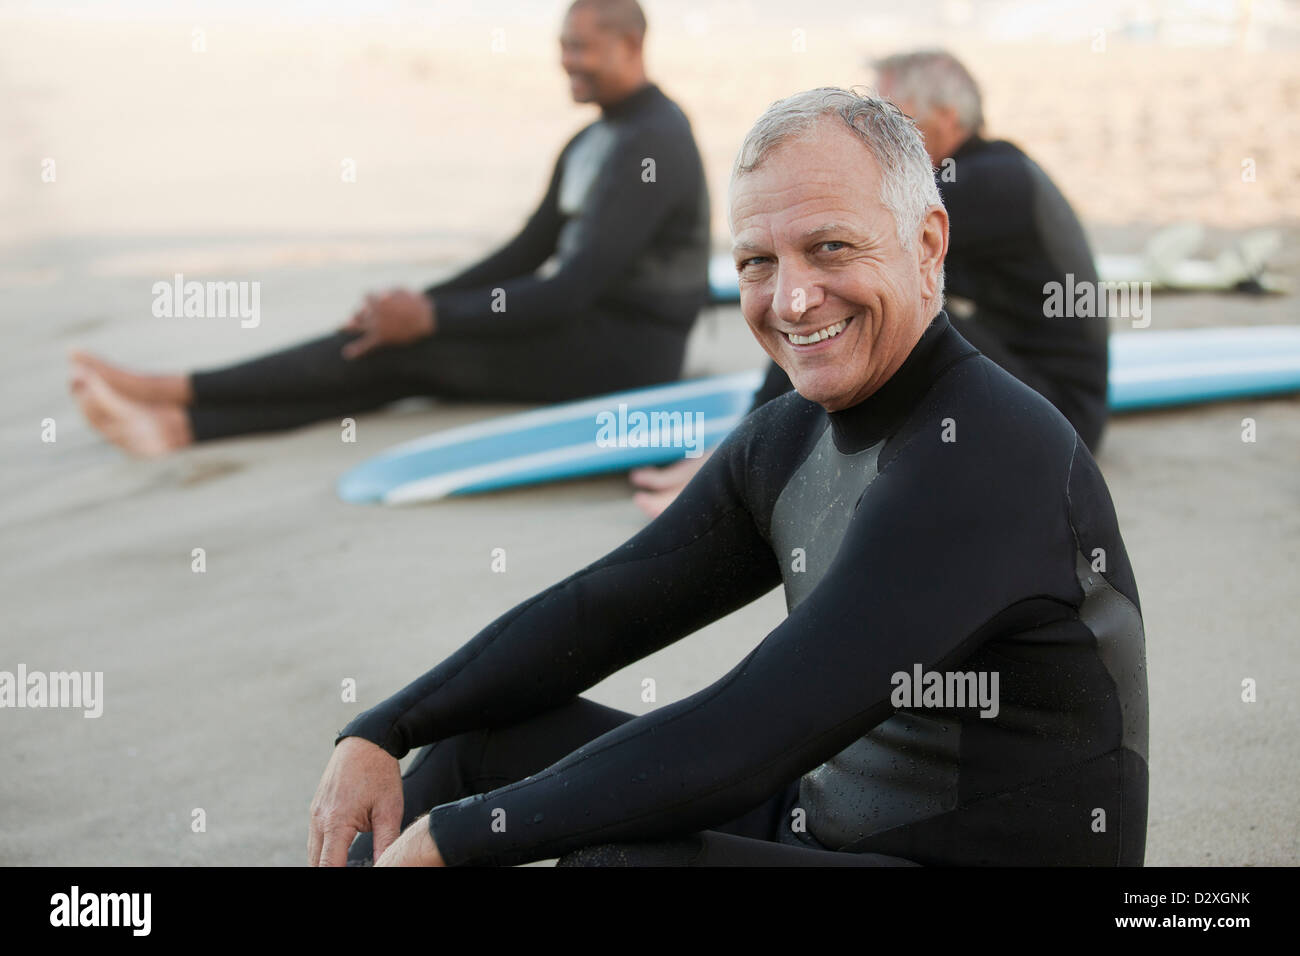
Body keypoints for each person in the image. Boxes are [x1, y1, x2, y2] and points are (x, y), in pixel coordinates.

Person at [307, 88, 1148, 868]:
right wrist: (384, 728)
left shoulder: (987, 459)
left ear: (927, 246)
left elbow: (748, 733)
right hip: (826, 823)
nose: (790, 299)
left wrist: (450, 842)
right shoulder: (787, 437)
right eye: (756, 263)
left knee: (621, 860)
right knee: (474, 751)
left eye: (829, 248)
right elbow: (605, 609)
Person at [69, 0, 710, 457]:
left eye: (582, 47)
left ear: (630, 46)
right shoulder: (594, 138)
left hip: (629, 355)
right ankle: (181, 426)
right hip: (585, 328)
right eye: (563, 46)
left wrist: (431, 321)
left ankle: (170, 392)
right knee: (391, 347)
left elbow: (570, 288)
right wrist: (420, 304)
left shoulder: (653, 144)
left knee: (405, 350)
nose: (568, 61)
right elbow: (526, 251)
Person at [630, 49, 1108, 517]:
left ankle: (740, 466)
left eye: (892, 119)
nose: (873, 133)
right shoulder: (1000, 168)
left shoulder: (985, 183)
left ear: (945, 117)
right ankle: (746, 455)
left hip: (1058, 415)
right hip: (1037, 388)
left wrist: (735, 444)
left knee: (838, 306)